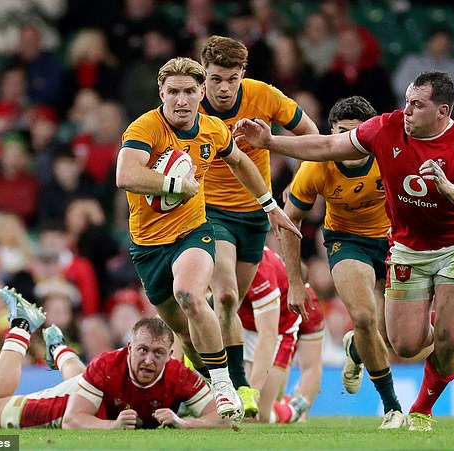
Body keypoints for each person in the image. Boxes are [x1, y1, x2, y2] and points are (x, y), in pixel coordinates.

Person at [235, 71, 454, 431]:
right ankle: (364, 347)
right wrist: (270, 142)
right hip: (403, 245)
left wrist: (447, 188)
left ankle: (419, 411)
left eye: (417, 105)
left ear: (442, 111)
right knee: (403, 344)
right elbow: (326, 147)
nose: (406, 110)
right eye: (406, 101)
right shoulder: (383, 130)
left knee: (449, 338)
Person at [115, 56, 301, 421]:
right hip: (148, 245)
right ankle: (205, 385)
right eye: (173, 92)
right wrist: (175, 185)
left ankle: (225, 385)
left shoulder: (212, 129)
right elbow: (125, 174)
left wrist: (269, 205)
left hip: (194, 232)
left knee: (191, 295)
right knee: (186, 334)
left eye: (188, 92)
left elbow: (241, 162)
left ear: (201, 92)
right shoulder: (145, 128)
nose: (181, 100)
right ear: (161, 93)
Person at [199, 35, 319, 416]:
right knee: (228, 296)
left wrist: (271, 143)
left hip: (254, 213)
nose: (222, 88)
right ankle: (236, 385)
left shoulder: (264, 96)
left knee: (226, 308)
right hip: (209, 211)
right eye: (215, 78)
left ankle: (207, 373)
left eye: (231, 79)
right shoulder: (187, 105)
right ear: (204, 74)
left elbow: (313, 137)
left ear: (243, 75)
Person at [279, 95, 404, 429]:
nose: (347, 144)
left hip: (395, 241)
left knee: (396, 335)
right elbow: (289, 222)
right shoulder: (316, 166)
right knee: (364, 316)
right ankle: (392, 408)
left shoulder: (389, 153)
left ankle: (356, 350)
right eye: (341, 134)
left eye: (356, 134)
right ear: (331, 133)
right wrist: (294, 281)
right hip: (347, 242)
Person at [0, 287, 225, 430]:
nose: (149, 360)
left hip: (94, 389)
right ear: (129, 348)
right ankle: (22, 323)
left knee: (84, 378)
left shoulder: (178, 375)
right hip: (75, 406)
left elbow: (220, 417)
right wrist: (113, 426)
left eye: (158, 353)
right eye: (142, 350)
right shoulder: (107, 365)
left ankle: (59, 349)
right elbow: (73, 420)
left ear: (170, 356)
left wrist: (183, 423)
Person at [239, 247, 323, 424]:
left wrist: (252, 393)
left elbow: (312, 365)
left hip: (278, 332)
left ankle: (294, 409)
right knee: (239, 412)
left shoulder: (310, 305)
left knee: (258, 415)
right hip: (246, 325)